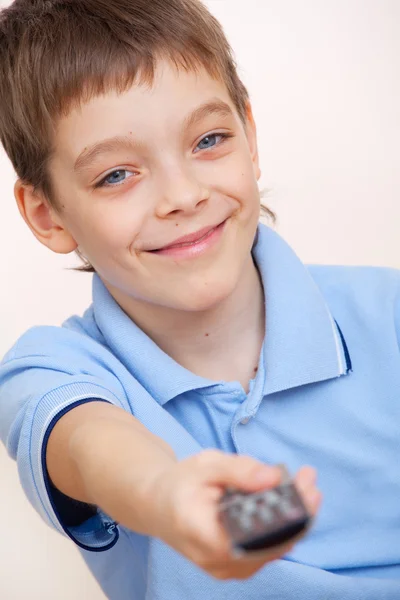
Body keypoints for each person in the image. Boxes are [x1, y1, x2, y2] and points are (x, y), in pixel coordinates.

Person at [0, 0, 399, 598]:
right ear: (47, 213)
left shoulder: (386, 315)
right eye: (116, 175)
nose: (182, 195)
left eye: (208, 140)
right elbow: (86, 442)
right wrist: (165, 493)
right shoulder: (52, 368)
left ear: (250, 135)